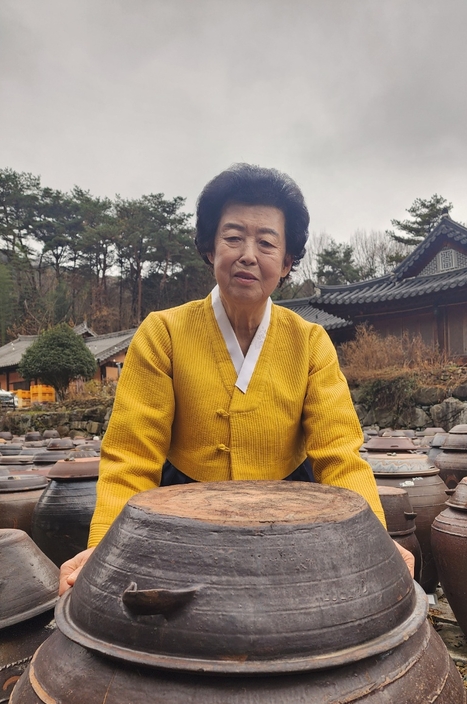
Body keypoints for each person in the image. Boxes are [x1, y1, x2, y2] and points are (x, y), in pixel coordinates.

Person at [59, 164, 414, 594]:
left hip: (289, 510)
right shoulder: (163, 332)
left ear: (285, 263)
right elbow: (132, 456)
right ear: (211, 248)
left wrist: (375, 541)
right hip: (182, 509)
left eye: (266, 242)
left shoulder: (310, 341)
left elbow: (339, 453)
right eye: (233, 237)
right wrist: (105, 548)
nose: (248, 254)